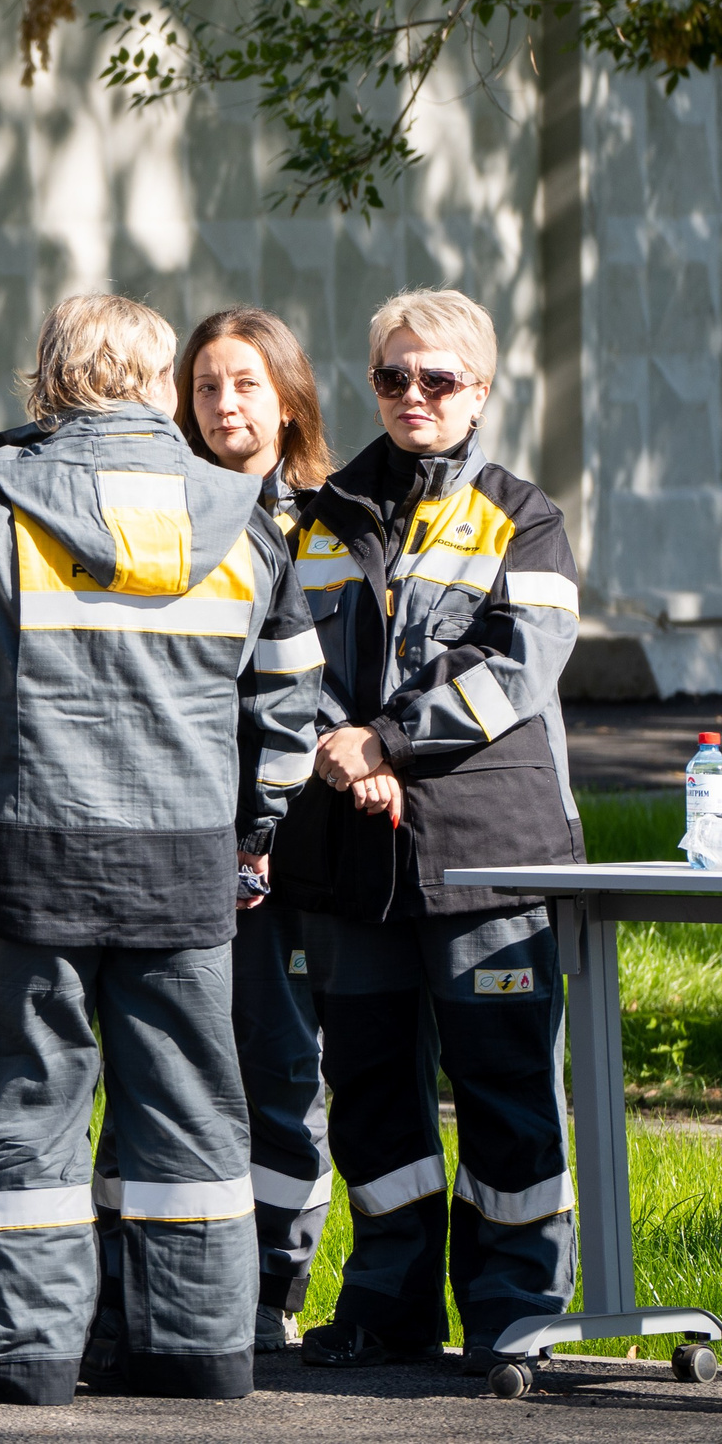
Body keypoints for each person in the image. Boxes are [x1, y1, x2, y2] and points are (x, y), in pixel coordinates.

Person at [0, 293, 321, 1406]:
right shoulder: (239, 511)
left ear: (48, 381)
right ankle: (199, 1351)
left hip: (21, 858)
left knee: (27, 1100)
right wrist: (255, 828)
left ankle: (30, 1358)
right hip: (185, 859)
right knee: (195, 1103)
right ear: (161, 386)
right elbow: (291, 695)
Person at [274, 288, 585, 1377]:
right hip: (351, 857)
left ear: (480, 391)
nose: (414, 396)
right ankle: (385, 1303)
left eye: (438, 379)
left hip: (487, 854)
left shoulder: (525, 515)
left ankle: (514, 1309)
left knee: (502, 1088)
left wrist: (386, 743)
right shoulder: (316, 510)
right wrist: (336, 747)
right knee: (364, 1088)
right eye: (393, 377)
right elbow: (281, 658)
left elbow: (518, 666)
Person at [175, 307, 341, 1352]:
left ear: (286, 397)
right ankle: (198, 1284)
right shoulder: (169, 512)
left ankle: (276, 1287)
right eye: (203, 388)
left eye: (243, 384)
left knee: (289, 1069)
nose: (224, 405)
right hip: (200, 837)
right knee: (209, 1068)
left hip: (318, 837)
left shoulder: (338, 517)